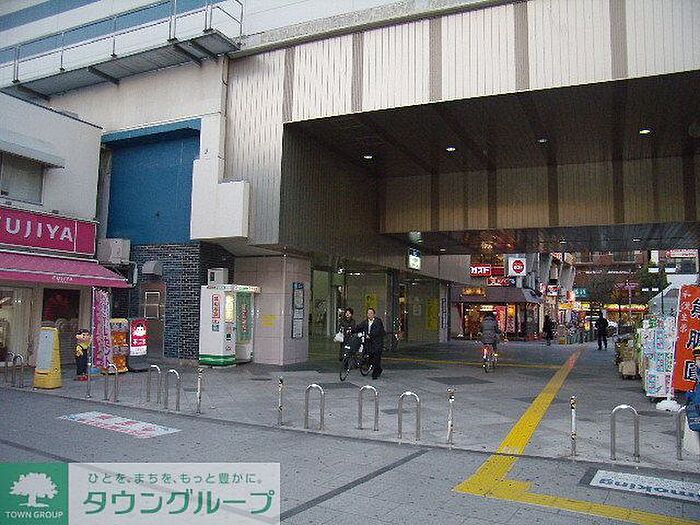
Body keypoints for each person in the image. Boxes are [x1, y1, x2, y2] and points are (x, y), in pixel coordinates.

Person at [354, 308, 385, 380]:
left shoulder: (378, 321)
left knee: (376, 357)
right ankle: (378, 369)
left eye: (371, 313)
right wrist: (351, 330)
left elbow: (377, 331)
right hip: (369, 343)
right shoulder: (365, 322)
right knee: (371, 357)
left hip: (377, 342)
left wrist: (370, 335)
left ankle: (375, 374)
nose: (369, 314)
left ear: (374, 314)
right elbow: (358, 327)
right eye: (368, 313)